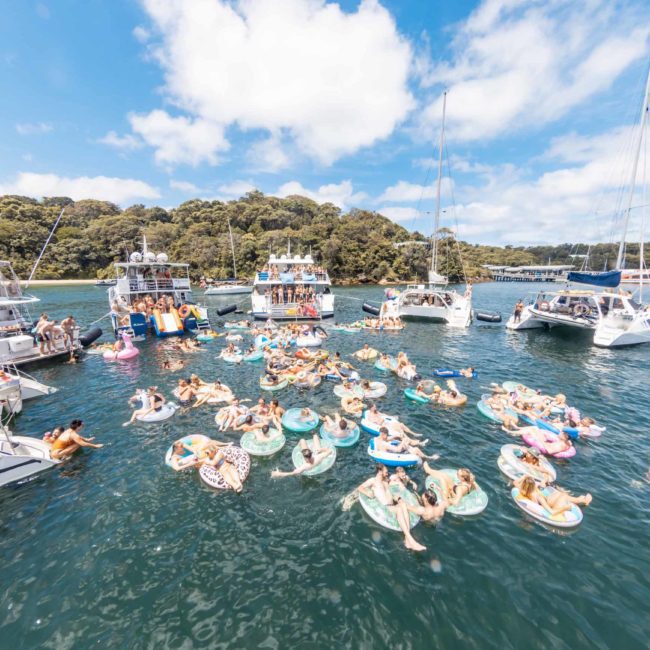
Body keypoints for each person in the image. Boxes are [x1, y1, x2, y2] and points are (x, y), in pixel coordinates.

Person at [358, 465, 427, 552]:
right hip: (385, 507)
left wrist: (398, 497)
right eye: (386, 472)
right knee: (399, 509)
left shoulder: (386, 481)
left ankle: (407, 539)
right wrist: (368, 493)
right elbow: (360, 487)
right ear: (380, 471)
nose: (387, 474)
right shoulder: (373, 481)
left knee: (403, 504)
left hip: (392, 505)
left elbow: (392, 489)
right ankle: (410, 540)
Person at [514, 475, 592, 515]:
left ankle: (580, 500)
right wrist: (565, 508)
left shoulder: (523, 490)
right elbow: (552, 512)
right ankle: (582, 501)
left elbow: (515, 482)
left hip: (549, 500)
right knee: (563, 495)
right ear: (534, 485)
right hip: (552, 505)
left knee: (560, 494)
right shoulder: (538, 497)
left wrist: (523, 477)